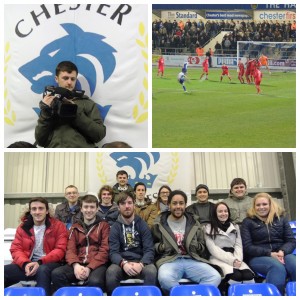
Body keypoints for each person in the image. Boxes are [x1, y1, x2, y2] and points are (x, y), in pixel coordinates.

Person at [152, 190, 222, 295]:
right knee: (164, 279)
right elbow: (153, 245)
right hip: (170, 261)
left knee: (214, 277)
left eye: (181, 203)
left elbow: (202, 246)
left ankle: (195, 295)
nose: (178, 206)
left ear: (185, 205)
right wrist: (162, 247)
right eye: (174, 203)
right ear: (169, 205)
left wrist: (196, 246)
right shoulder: (159, 223)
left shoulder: (194, 222)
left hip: (192, 259)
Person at [4, 197, 68, 296]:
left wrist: (40, 262)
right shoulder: (23, 227)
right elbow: (16, 249)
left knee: (42, 270)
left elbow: (60, 250)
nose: (37, 212)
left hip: (50, 264)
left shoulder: (58, 226)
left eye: (41, 208)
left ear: (47, 211)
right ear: (30, 211)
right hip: (27, 265)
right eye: (34, 209)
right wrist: (25, 264)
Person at [35, 61, 106, 148]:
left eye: (73, 79)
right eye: (65, 78)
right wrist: (46, 113)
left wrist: (75, 112)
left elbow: (99, 135)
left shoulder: (87, 103)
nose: (69, 82)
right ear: (56, 79)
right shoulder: (49, 103)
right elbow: (40, 141)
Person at [52, 195, 109, 292]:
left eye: (92, 207)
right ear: (81, 209)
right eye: (86, 207)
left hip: (97, 265)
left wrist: (89, 268)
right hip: (78, 263)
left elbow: (105, 250)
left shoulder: (104, 226)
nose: (89, 210)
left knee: (95, 281)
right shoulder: (75, 227)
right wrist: (76, 265)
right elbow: (70, 249)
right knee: (57, 274)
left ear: (97, 209)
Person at [241, 193, 296, 295]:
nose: (261, 207)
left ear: (271, 205)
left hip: (282, 253)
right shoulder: (247, 222)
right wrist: (270, 253)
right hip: (258, 256)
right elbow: (247, 247)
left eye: (264, 204)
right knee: (277, 268)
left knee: (295, 264)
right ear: (254, 207)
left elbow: (291, 241)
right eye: (258, 205)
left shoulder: (281, 219)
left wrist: (282, 252)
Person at [106, 191, 157, 295]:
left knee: (151, 272)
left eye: (129, 203)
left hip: (141, 260)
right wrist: (123, 263)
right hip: (122, 262)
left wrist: (141, 264)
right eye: (123, 203)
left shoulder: (142, 225)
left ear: (134, 204)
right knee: (111, 273)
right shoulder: (115, 227)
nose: (127, 206)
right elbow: (113, 252)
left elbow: (149, 249)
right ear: (118, 207)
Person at [205, 202, 254, 295]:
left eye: (225, 211)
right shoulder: (208, 228)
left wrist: (237, 260)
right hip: (218, 258)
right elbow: (213, 249)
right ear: (215, 213)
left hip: (235, 257)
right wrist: (232, 261)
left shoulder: (235, 227)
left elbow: (238, 245)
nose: (223, 213)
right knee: (236, 276)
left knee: (248, 275)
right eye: (220, 211)